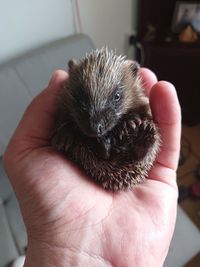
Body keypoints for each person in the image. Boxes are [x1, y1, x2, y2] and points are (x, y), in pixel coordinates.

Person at [3, 67, 181, 267]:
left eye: (115, 98)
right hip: (92, 161)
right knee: (70, 140)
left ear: (132, 79)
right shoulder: (65, 108)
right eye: (82, 100)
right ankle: (112, 149)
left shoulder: (135, 103)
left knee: (146, 129)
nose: (96, 124)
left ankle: (134, 147)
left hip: (125, 154)